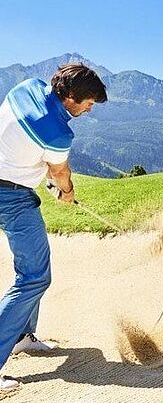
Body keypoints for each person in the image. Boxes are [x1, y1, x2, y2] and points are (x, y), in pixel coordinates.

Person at [0, 63, 107, 392]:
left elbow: (30, 149)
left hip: (10, 185)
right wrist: (68, 191)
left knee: (33, 270)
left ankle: (23, 337)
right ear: (72, 97)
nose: (89, 110)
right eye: (88, 104)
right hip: (11, 197)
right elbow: (59, 173)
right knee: (34, 277)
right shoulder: (59, 132)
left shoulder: (27, 87)